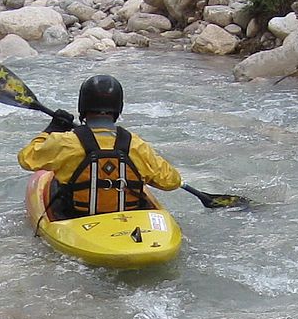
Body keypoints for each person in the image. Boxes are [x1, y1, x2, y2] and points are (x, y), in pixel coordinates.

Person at [17, 74, 183, 218]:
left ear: (82, 106)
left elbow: (26, 159)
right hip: (129, 219)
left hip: (77, 217)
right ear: (119, 108)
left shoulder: (65, 142)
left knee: (55, 182)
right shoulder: (136, 144)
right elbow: (172, 182)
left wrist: (51, 130)